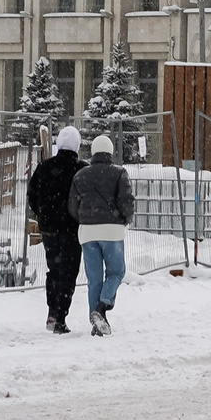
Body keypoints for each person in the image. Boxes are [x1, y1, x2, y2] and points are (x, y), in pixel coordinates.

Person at [69, 133, 137, 336]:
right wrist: (124, 218)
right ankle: (102, 306)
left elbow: (72, 205)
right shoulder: (119, 173)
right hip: (112, 230)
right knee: (116, 272)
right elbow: (126, 200)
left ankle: (97, 323)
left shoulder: (80, 175)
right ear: (110, 152)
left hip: (87, 232)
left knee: (94, 278)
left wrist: (83, 219)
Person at [29, 126, 87, 333]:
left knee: (53, 270)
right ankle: (61, 317)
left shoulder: (44, 167)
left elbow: (32, 195)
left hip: (49, 229)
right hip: (72, 229)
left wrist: (42, 214)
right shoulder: (82, 169)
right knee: (69, 272)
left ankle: (52, 312)